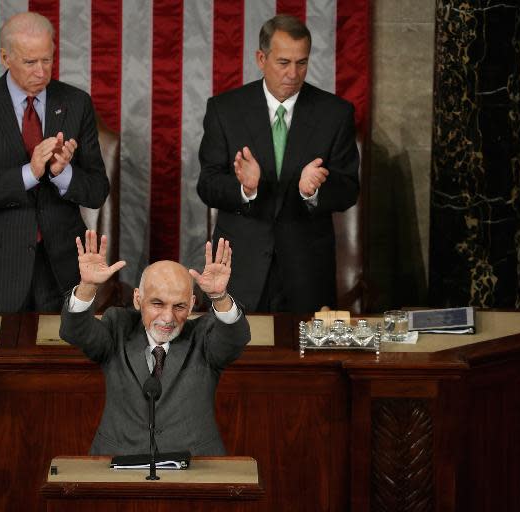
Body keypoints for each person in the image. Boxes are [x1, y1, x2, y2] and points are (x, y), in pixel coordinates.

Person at [197, 14, 360, 313]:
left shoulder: (335, 114)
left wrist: (313, 191)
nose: (293, 73)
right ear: (261, 59)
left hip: (307, 271)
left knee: (305, 359)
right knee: (236, 357)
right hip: (240, 269)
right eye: (283, 63)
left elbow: (349, 189)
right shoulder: (225, 110)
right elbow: (207, 185)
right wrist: (246, 188)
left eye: (302, 63)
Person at [0, 12, 109, 313]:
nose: (41, 72)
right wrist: (30, 173)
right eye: (30, 62)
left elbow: (97, 190)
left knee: (65, 358)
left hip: (61, 270)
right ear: (5, 57)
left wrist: (64, 174)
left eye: (47, 60)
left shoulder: (76, 103)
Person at [60, 230, 250, 456]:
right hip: (119, 464)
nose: (168, 318)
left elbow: (235, 338)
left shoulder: (204, 336)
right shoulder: (118, 326)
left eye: (179, 306)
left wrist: (220, 297)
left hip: (196, 467)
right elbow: (75, 331)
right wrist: (87, 287)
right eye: (158, 304)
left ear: (191, 305)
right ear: (138, 299)